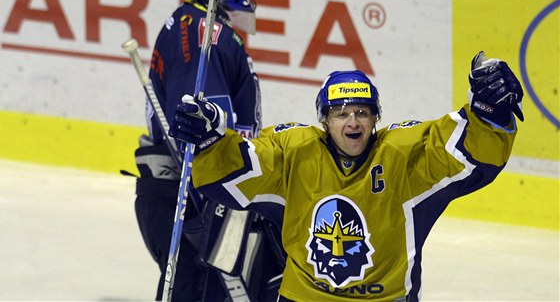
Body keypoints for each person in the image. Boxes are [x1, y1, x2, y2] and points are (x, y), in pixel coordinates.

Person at [168, 51, 524, 301]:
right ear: (324, 120)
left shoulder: (403, 157)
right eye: (340, 114)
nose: (352, 122)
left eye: (362, 113)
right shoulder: (295, 152)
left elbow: (467, 154)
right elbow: (239, 166)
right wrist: (211, 138)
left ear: (375, 119)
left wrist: (487, 111)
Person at [132, 0, 283, 301]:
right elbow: (202, 134)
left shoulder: (200, 28)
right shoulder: (203, 31)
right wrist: (213, 211)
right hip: (194, 201)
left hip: (193, 197)